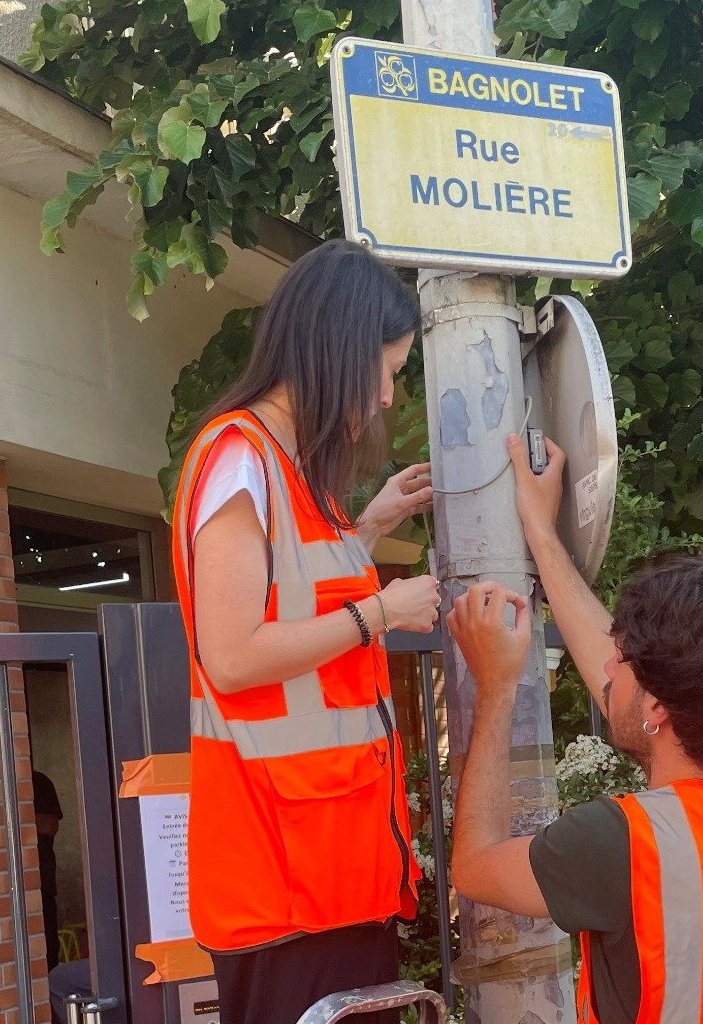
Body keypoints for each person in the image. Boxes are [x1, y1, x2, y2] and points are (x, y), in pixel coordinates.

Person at [446, 435, 703, 1024]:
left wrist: (497, 686)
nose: (607, 668)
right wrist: (543, 536)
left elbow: (474, 867)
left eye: (620, 660)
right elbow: (636, 702)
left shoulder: (621, 843)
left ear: (657, 707)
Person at [170, 239, 441, 1024]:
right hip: (284, 879)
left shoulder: (284, 467)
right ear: (342, 350)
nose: (390, 397)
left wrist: (369, 523)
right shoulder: (239, 458)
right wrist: (382, 612)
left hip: (325, 868)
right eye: (389, 370)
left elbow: (290, 604)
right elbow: (232, 656)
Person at [32, 769, 64, 972]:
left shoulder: (38, 781)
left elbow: (51, 825)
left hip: (41, 887)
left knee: (48, 956)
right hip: (5, 890)